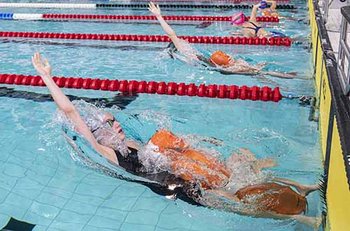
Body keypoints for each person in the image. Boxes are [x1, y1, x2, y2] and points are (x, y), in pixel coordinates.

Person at [32, 52, 320, 228]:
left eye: (113, 119)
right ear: (99, 136)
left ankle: (301, 187)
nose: (117, 123)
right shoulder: (107, 153)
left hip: (181, 167)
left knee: (240, 161)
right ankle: (297, 218)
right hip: (173, 184)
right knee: (231, 198)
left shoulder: (129, 142)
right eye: (109, 124)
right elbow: (70, 112)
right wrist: (47, 77)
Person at [148, 2, 296, 79]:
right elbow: (172, 34)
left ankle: (286, 76)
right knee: (257, 71)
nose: (184, 40)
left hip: (219, 65)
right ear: (176, 47)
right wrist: (159, 16)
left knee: (257, 71)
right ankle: (287, 76)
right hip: (219, 65)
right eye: (180, 42)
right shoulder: (185, 51)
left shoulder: (189, 54)